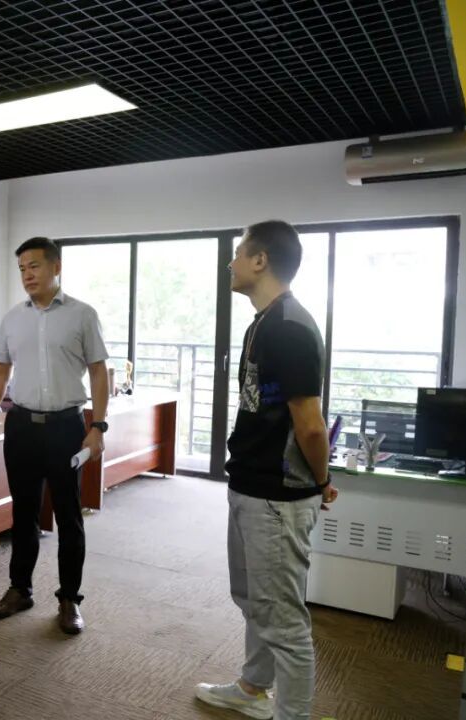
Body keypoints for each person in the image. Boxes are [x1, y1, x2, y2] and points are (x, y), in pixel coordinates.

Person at [195, 220, 338, 720]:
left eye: (238, 252)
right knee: (254, 600)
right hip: (251, 484)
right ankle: (253, 689)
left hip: (279, 495)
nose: (230, 261)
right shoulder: (263, 322)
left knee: (283, 619)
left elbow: (311, 426)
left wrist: (321, 482)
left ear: (260, 261)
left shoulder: (290, 327)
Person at [0, 236, 109, 635]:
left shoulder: (83, 314)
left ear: (56, 267)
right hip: (21, 427)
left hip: (66, 427)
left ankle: (70, 599)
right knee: (23, 513)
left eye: (34, 266)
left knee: (68, 515)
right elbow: (0, 370)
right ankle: (20, 590)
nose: (27, 275)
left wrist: (98, 426)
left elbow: (99, 371)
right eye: (21, 268)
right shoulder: (12, 319)